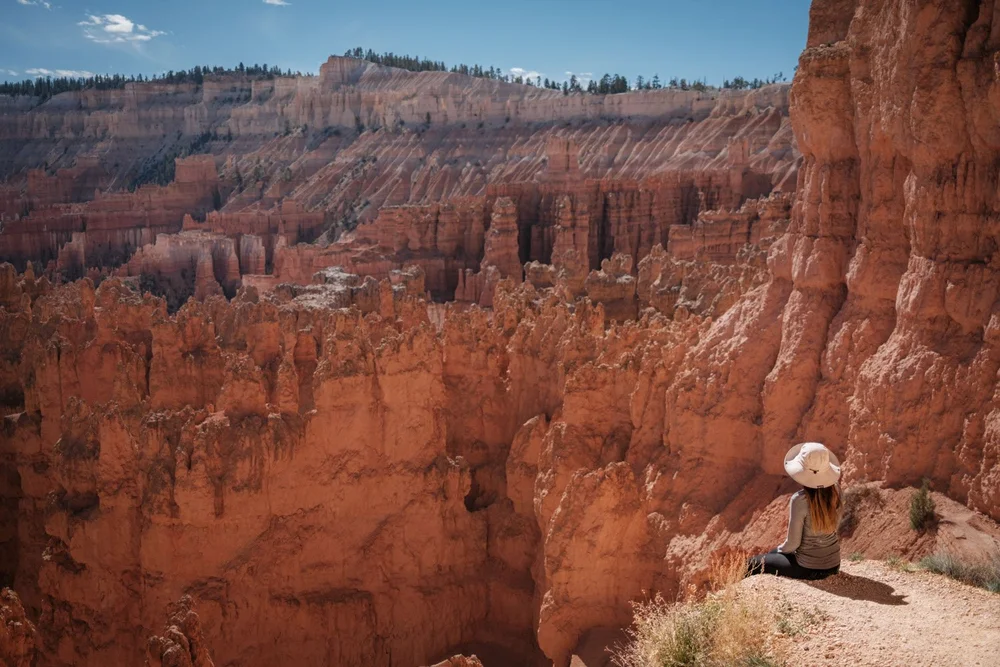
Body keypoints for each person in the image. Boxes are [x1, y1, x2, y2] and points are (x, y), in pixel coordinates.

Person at [747, 442, 843, 580]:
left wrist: (777, 551)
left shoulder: (799, 500)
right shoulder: (837, 492)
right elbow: (835, 527)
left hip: (807, 568)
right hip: (834, 565)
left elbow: (793, 544)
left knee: (751, 563)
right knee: (773, 555)